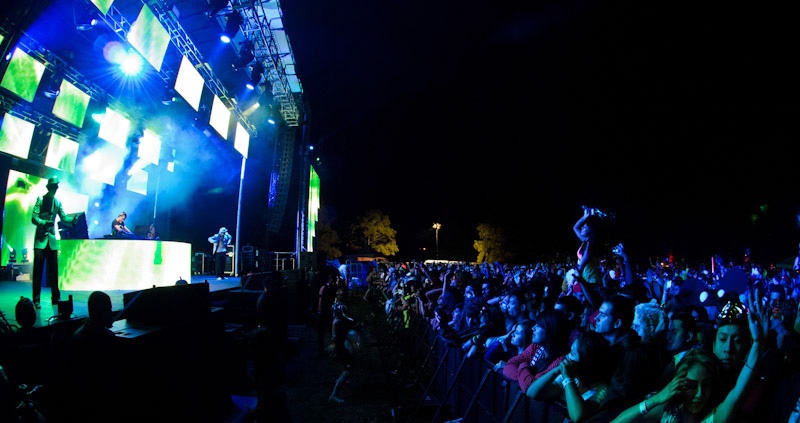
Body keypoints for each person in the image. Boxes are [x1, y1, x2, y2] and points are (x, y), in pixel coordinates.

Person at [31, 176, 75, 309]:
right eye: (54, 186)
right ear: (49, 188)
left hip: (51, 241)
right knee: (38, 272)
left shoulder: (57, 202)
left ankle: (56, 297)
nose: (56, 188)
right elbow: (34, 217)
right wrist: (44, 222)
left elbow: (63, 217)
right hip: (40, 241)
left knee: (54, 271)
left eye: (57, 186)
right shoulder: (40, 199)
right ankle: (36, 299)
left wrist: (72, 220)